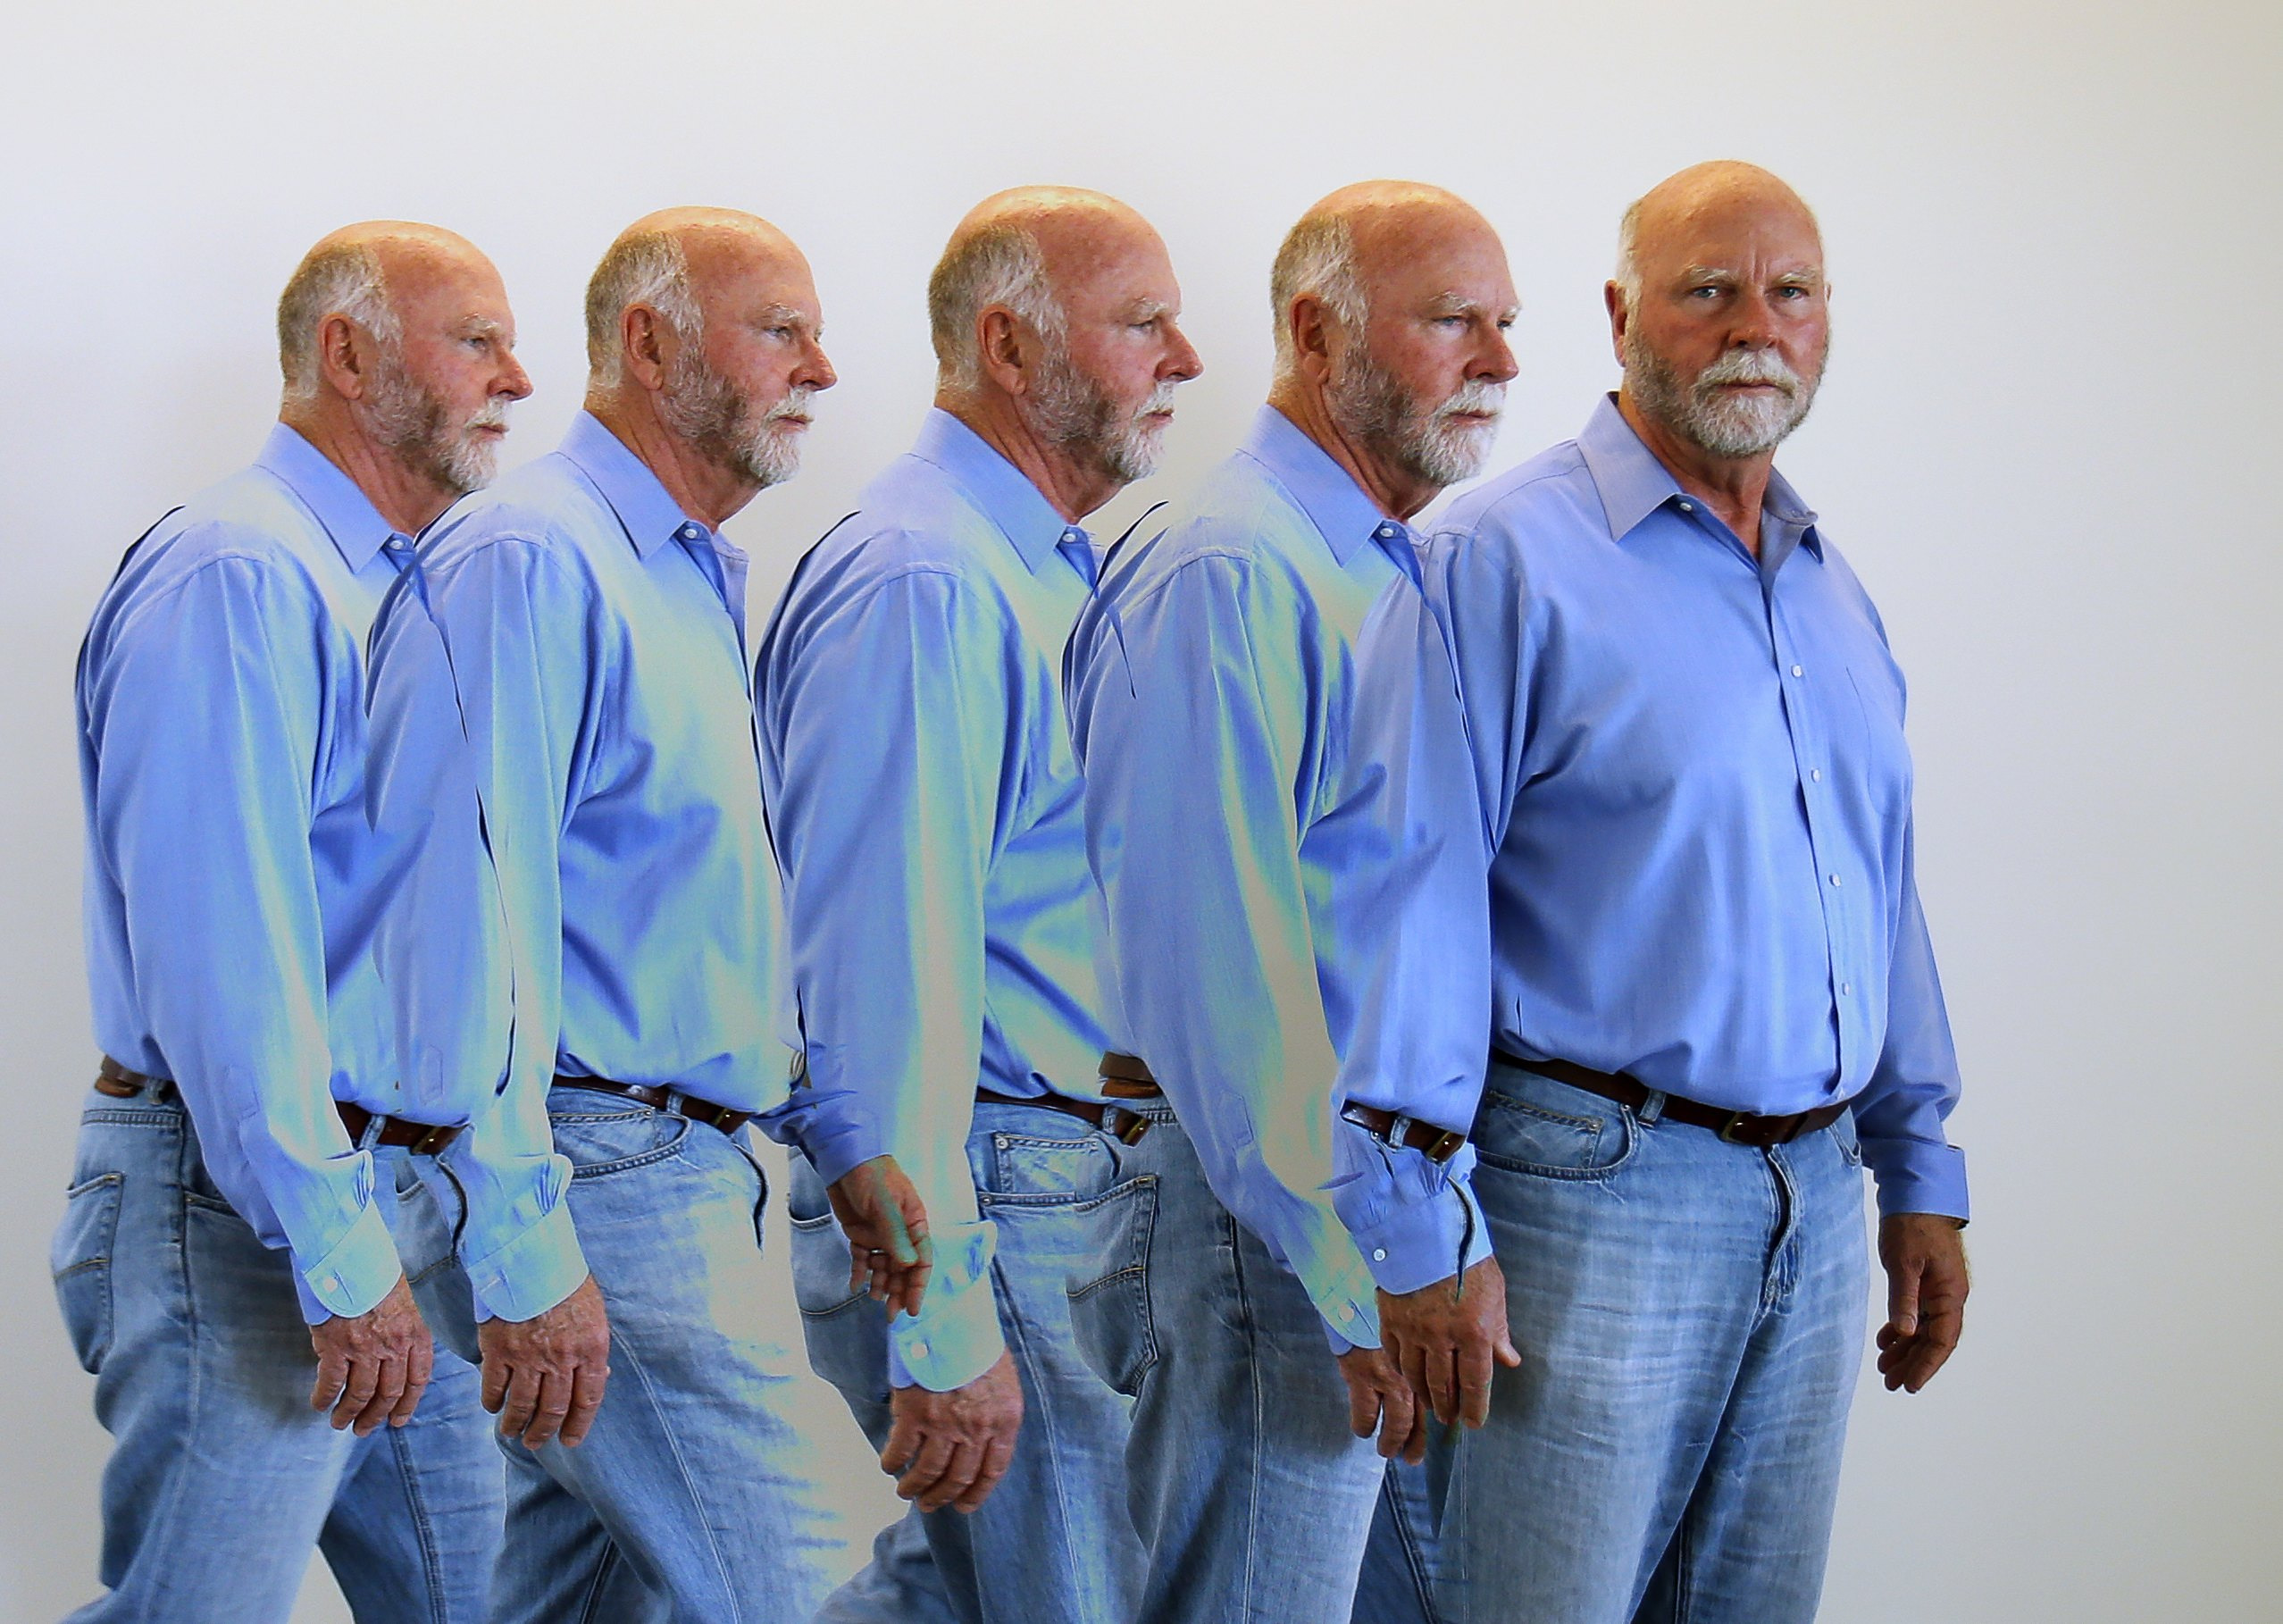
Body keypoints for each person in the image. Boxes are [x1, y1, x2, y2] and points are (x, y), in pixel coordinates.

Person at [1346, 160, 1972, 1623]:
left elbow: (1881, 887)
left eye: (1790, 291)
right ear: (1623, 316)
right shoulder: (1495, 561)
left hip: (1818, 1208)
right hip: (1587, 1198)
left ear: (1827, 321)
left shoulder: (1831, 587)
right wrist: (1416, 1226)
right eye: (1709, 291)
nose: (1756, 324)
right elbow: (1400, 908)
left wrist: (1919, 1165)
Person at [363, 206, 926, 1624]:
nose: (823, 369)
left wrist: (831, 1131)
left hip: (687, 1175)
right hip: (604, 1184)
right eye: (781, 331)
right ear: (652, 342)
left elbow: (690, 918)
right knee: (829, 1590)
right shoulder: (530, 558)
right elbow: (460, 926)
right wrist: (523, 1242)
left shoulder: (683, 572)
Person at [1062, 181, 1520, 1622]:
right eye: (1453, 321)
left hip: (1372, 1209)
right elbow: (1217, 980)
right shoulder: (1230, 568)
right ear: (1319, 335)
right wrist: (1348, 1261)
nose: (1501, 362)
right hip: (1270, 1219)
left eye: (1506, 324)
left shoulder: (1385, 569)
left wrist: (1436, 1225)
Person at [58, 221, 527, 1622]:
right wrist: (333, 1242)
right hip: (254, 1208)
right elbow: (226, 951)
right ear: (348, 354)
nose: (518, 380)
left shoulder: (400, 587)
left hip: (386, 1200)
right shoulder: (239, 575)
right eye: (478, 342)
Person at [757, 185, 1200, 1624]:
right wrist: (943, 1317)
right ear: (1010, 347)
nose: (1187, 358)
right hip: (999, 1204)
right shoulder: (925, 584)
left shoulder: (1025, 570)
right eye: (1142, 323)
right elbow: (876, 974)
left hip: (1057, 1194)